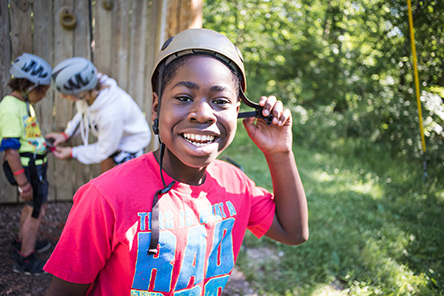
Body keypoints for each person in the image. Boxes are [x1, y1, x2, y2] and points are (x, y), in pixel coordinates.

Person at [44, 28, 309, 295]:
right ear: (156, 107)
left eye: (220, 101)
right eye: (183, 97)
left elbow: (293, 232)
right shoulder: (105, 197)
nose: (203, 114)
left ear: (237, 112)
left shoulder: (235, 184)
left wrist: (280, 153)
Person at [46, 57, 151, 173]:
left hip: (129, 146)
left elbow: (104, 150)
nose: (62, 97)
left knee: (119, 186)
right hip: (112, 139)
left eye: (66, 94)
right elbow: (83, 114)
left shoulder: (111, 115)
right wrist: (66, 134)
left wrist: (73, 153)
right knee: (106, 178)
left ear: (80, 92)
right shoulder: (90, 93)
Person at [0, 53, 53, 275]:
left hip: (33, 165)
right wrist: (24, 184)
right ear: (30, 85)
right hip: (28, 171)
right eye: (42, 90)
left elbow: (26, 137)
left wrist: (43, 144)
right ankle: (25, 257)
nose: (44, 95)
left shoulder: (24, 103)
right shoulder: (11, 107)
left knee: (31, 206)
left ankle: (22, 241)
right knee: (36, 211)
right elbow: (10, 149)